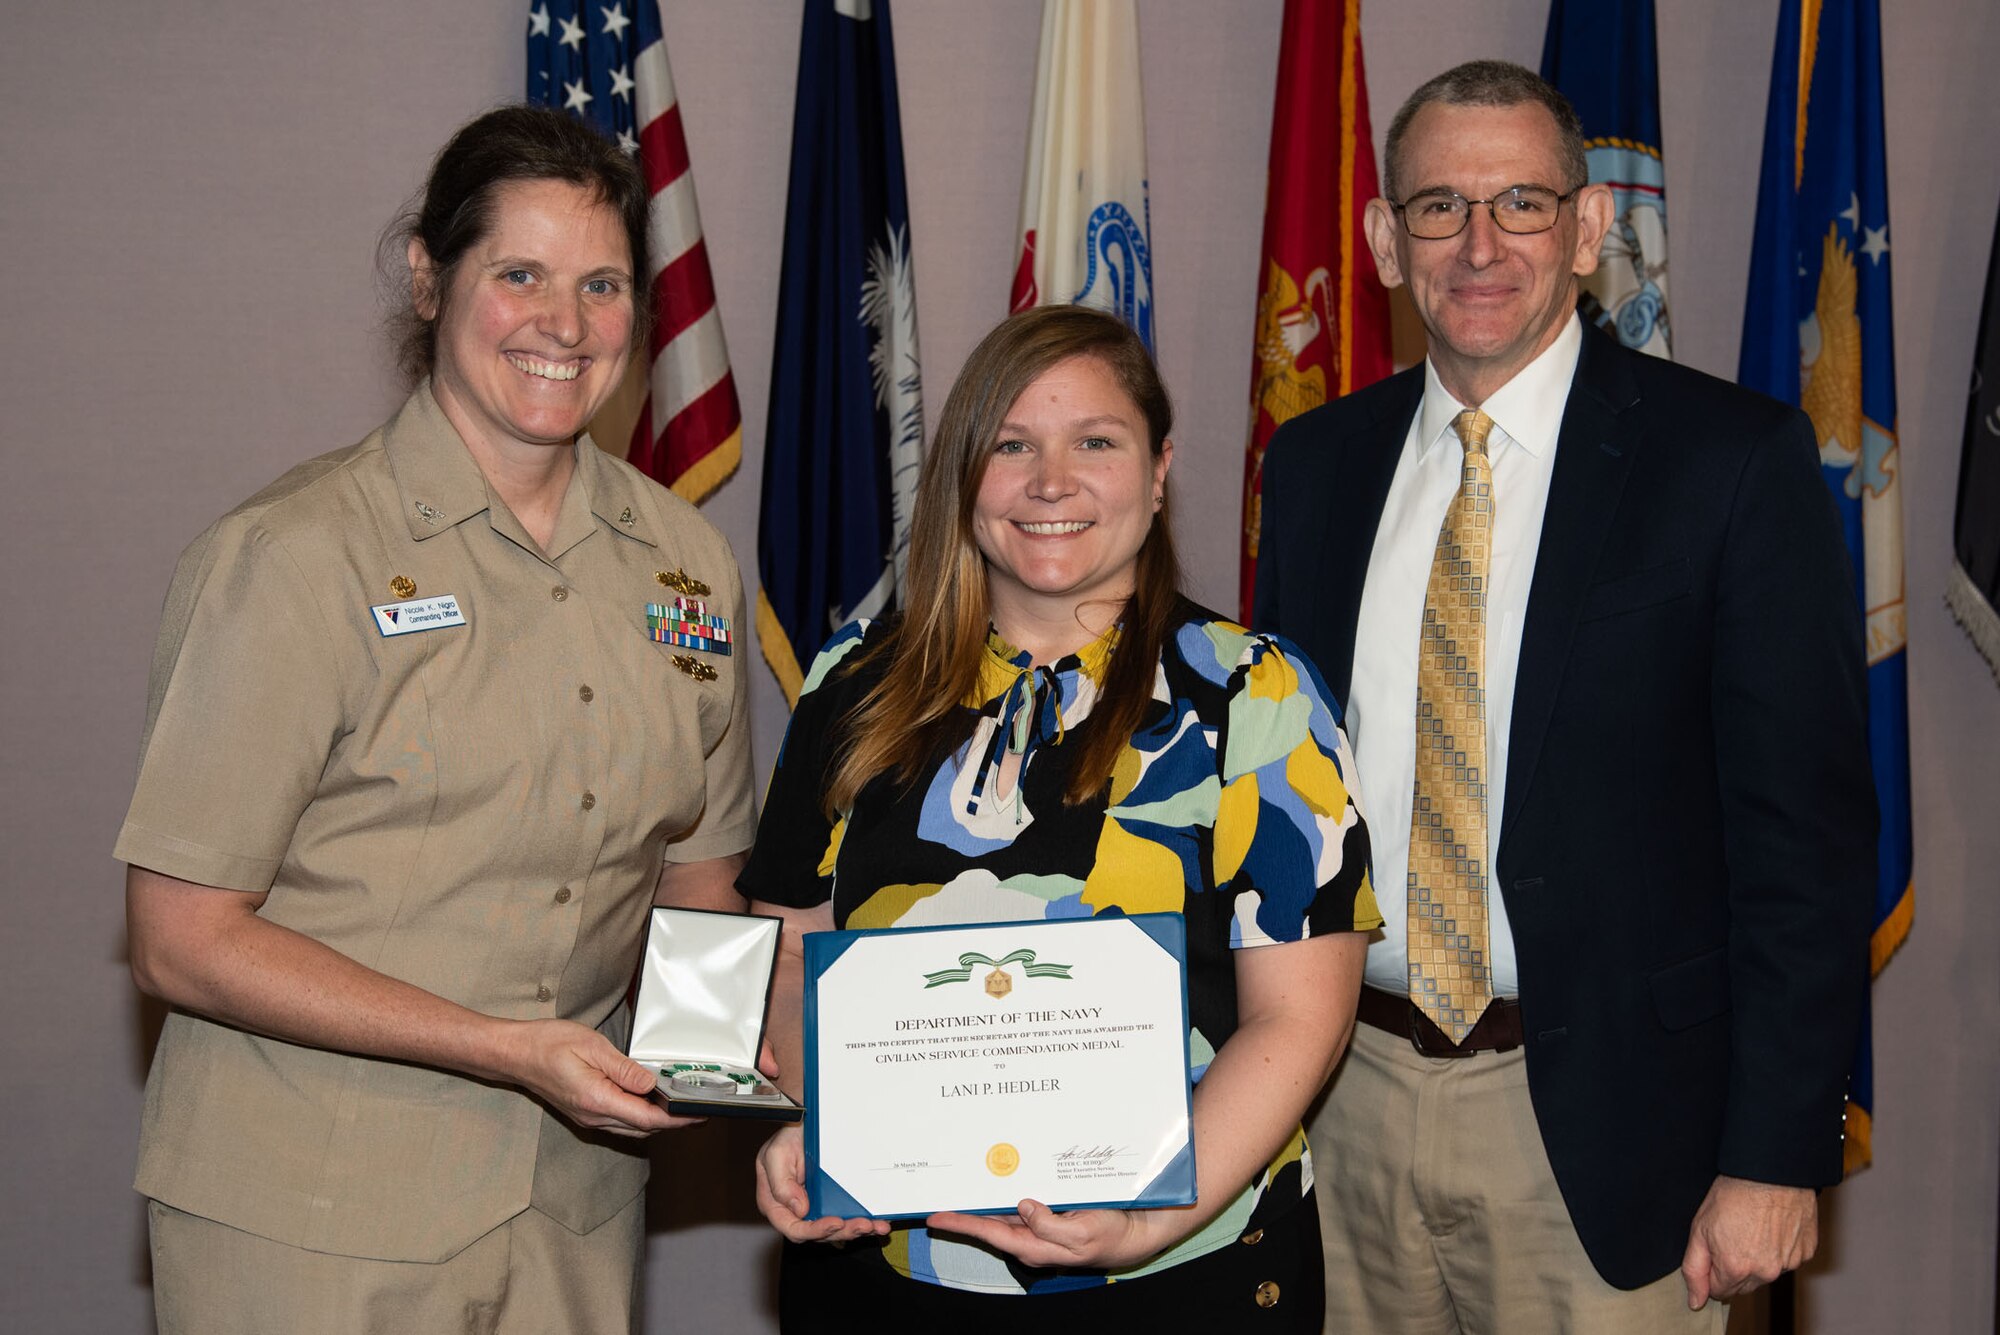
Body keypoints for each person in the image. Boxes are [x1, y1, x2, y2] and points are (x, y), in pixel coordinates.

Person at [1254, 60, 1876, 1332]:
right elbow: (1278, 792)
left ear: (1588, 230)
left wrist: (1772, 1154)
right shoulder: (1315, 466)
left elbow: (1802, 847)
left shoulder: (1730, 463)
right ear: (1382, 240)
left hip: (1609, 1138)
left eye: (1521, 206)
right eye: (1436, 208)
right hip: (1339, 1096)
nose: (1477, 246)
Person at [117, 105, 758, 1333]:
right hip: (310, 1213)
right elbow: (179, 939)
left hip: (570, 1210)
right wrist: (507, 1047)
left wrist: (740, 1076)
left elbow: (700, 887)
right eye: (519, 274)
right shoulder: (295, 558)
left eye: (603, 284)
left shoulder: (686, 570)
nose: (563, 326)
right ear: (429, 276)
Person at [742, 304, 1378, 1332]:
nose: (1050, 482)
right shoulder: (849, 686)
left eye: (1095, 442)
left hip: (1176, 1275)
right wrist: (818, 1130)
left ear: (1159, 469)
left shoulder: (1256, 697)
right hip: (890, 1278)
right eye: (1012, 446)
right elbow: (787, 957)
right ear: (963, 477)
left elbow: (1297, 1016)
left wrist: (1138, 1222)